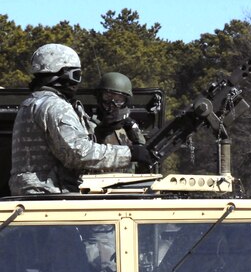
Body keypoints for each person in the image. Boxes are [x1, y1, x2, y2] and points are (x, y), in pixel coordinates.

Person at [9, 43, 152, 195]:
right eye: (76, 75)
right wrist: (131, 153)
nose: (76, 83)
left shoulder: (29, 103)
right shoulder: (55, 106)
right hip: (49, 194)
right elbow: (77, 154)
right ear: (61, 74)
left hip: (29, 194)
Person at [93, 72, 148, 173]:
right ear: (99, 97)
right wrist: (102, 130)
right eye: (108, 97)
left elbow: (143, 156)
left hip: (126, 184)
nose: (112, 104)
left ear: (126, 101)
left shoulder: (128, 128)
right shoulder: (87, 125)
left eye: (118, 99)